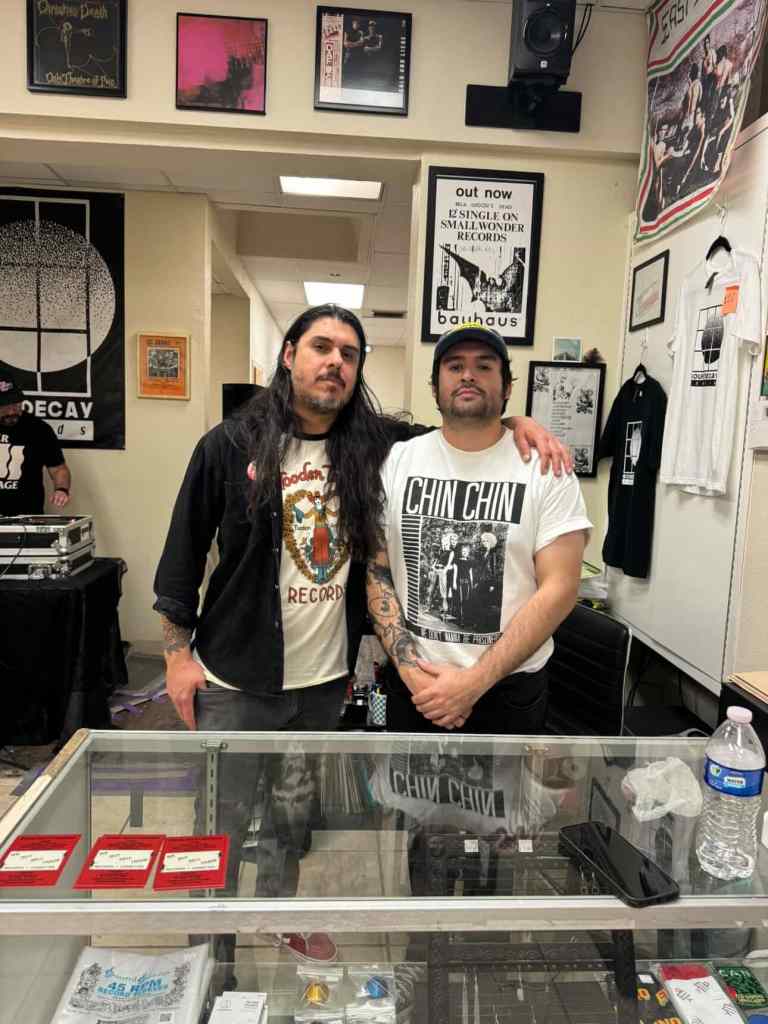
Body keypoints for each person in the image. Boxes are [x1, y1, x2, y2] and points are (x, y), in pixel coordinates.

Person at [153, 305, 570, 969]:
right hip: (234, 679)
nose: (334, 363)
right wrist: (176, 655)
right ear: (289, 355)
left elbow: (462, 425)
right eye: (321, 347)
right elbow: (180, 558)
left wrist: (517, 424)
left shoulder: (374, 447)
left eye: (349, 354)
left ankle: (279, 918)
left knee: (292, 819)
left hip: (321, 684)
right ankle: (211, 953)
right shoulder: (228, 446)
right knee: (223, 827)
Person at [366, 323, 592, 736]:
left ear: (507, 386)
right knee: (405, 802)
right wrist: (413, 674)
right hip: (417, 687)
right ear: (435, 387)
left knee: (509, 802)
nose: (468, 375)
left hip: (508, 690)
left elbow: (560, 588)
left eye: (484, 366)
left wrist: (474, 682)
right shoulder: (398, 461)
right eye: (455, 366)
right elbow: (377, 571)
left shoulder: (547, 468)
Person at [0, 375, 71, 516]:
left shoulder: (38, 429)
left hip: (28, 517)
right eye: (6, 406)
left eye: (16, 404)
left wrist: (61, 490)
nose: (12, 411)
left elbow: (58, 469)